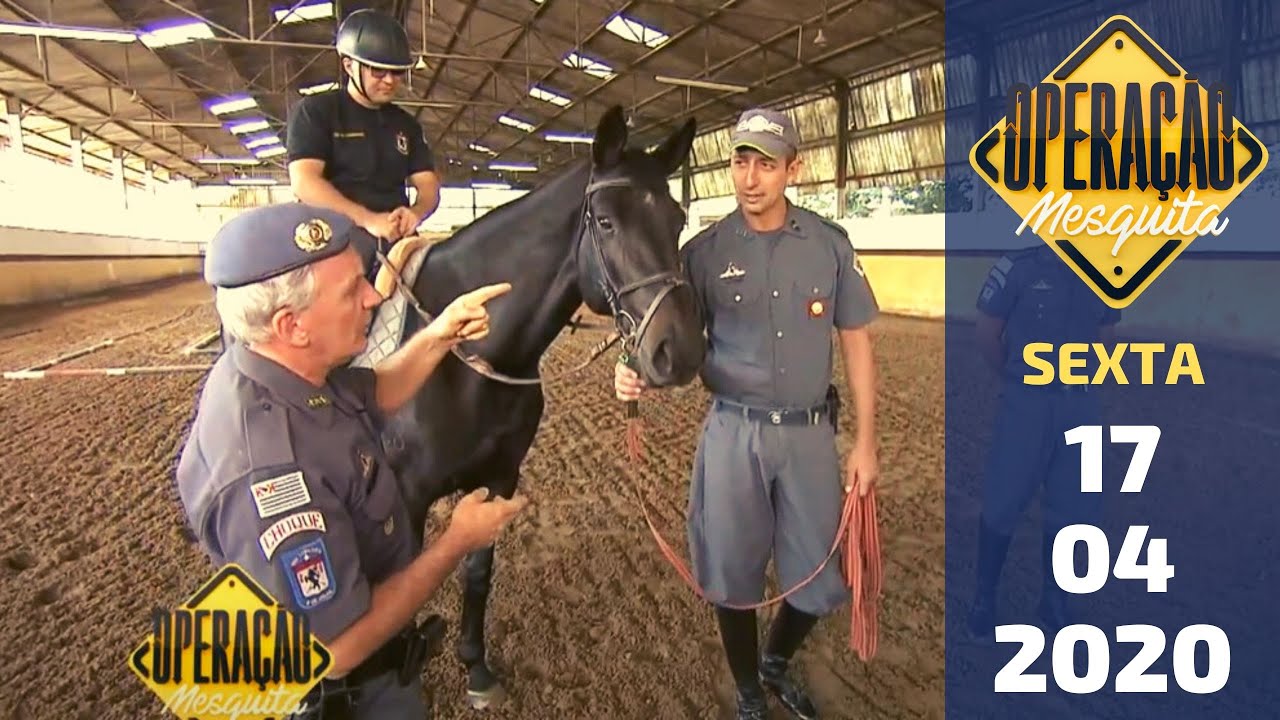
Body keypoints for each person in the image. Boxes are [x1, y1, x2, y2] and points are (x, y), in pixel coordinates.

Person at [175, 202, 526, 719]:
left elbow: (374, 391)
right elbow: (337, 650)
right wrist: (458, 540)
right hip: (342, 696)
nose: (371, 297)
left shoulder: (272, 367)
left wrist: (439, 333)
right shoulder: (272, 470)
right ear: (292, 325)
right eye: (352, 290)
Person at [615, 108, 881, 720]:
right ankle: (747, 691)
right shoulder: (702, 254)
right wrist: (634, 371)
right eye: (741, 161)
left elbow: (859, 343)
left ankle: (775, 662)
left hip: (811, 436)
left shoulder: (829, 246)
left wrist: (866, 444)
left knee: (817, 576)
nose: (751, 177)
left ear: (794, 168)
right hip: (733, 433)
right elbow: (666, 337)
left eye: (766, 163)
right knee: (729, 572)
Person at [967, 244, 1120, 638]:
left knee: (1075, 509)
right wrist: (1017, 381)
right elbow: (988, 334)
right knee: (1003, 501)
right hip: (1027, 407)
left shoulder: (1106, 269)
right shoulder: (1016, 267)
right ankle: (984, 599)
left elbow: (1107, 335)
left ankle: (1055, 603)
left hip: (1080, 407)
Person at [286, 8, 441, 280]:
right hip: (335, 235)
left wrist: (416, 213)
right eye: (378, 71)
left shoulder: (406, 125)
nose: (390, 80)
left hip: (395, 235)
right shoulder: (317, 111)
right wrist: (369, 220)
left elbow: (428, 185)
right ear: (349, 65)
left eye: (397, 72)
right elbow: (305, 181)